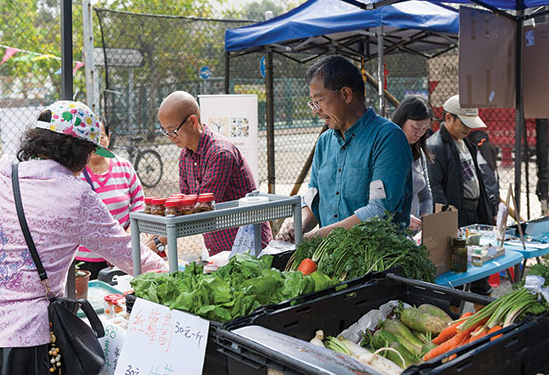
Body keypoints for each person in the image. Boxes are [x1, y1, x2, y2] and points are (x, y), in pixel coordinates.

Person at [0, 100, 166, 374]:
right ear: (80, 152)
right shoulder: (77, 197)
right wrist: (171, 272)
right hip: (25, 343)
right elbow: (128, 254)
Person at [277, 55, 413, 241]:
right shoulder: (324, 142)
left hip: (377, 261)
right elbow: (315, 201)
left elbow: (378, 211)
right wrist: (296, 224)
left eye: (319, 101)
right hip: (330, 258)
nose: (315, 110)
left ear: (346, 94)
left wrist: (314, 237)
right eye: (312, 103)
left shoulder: (388, 138)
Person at [157, 91, 272, 256]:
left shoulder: (220, 153)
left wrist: (158, 242)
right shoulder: (185, 154)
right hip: (219, 250)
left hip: (248, 247)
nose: (170, 137)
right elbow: (186, 205)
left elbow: (202, 209)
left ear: (192, 121)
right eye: (165, 131)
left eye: (173, 130)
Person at [426, 95, 493, 295]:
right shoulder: (436, 146)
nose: (468, 129)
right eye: (464, 123)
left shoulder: (468, 143)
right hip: (456, 216)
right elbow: (435, 188)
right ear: (448, 118)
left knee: (481, 275)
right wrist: (448, 222)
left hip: (474, 213)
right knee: (454, 278)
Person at [75, 118, 145, 279]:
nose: (96, 144)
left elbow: (139, 201)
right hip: (85, 259)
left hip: (122, 253)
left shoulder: (124, 167)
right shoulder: (74, 172)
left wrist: (130, 231)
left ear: (109, 137)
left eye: (100, 137)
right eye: (89, 139)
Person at [391, 95, 434, 231]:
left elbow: (425, 194)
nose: (419, 134)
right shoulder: (385, 151)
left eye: (424, 129)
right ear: (402, 119)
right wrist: (401, 218)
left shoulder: (418, 152)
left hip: (412, 233)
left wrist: (426, 215)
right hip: (388, 231)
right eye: (416, 127)